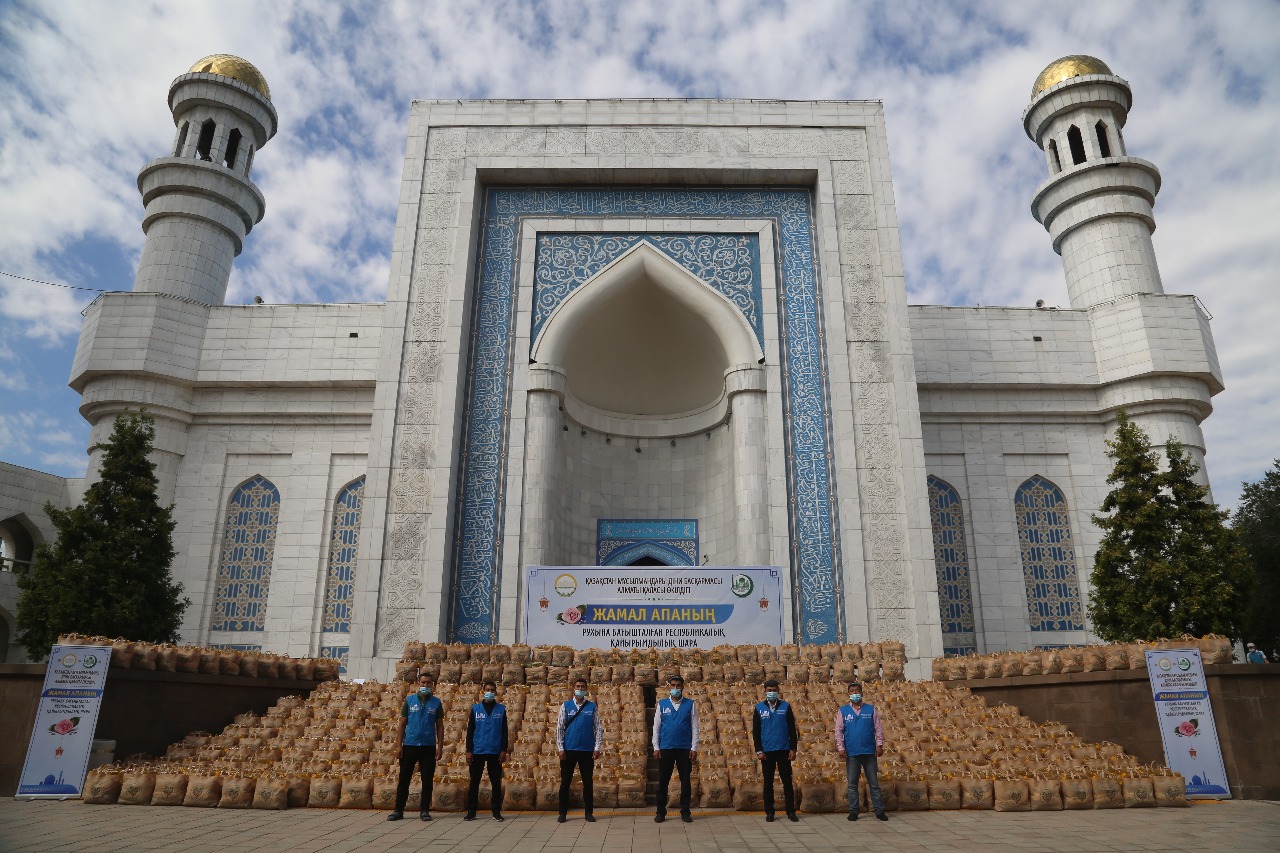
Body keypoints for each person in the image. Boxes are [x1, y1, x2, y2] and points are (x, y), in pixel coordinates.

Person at [387, 671, 444, 821]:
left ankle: (424, 810)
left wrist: (440, 747)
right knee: (404, 779)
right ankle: (398, 810)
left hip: (428, 746)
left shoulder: (436, 703)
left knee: (427, 779)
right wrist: (399, 746)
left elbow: (439, 726)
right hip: (410, 744)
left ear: (433, 685)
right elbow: (402, 724)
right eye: (423, 682)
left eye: (428, 683)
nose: (426, 685)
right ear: (418, 683)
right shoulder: (410, 700)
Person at [835, 681, 887, 822]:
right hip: (852, 753)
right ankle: (854, 811)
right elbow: (838, 731)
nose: (855, 693)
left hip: (869, 752)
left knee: (874, 783)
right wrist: (841, 748)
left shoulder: (870, 709)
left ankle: (879, 810)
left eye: (857, 690)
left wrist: (879, 745)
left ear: (862, 693)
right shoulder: (843, 711)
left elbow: (878, 728)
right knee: (852, 784)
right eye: (852, 691)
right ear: (849, 694)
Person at [652, 673, 699, 823]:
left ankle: (685, 811)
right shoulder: (662, 704)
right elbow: (656, 727)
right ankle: (660, 811)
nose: (675, 688)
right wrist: (656, 747)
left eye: (678, 686)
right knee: (663, 781)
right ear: (669, 687)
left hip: (684, 748)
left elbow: (695, 727)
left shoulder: (690, 704)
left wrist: (694, 747)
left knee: (685, 781)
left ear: (683, 687)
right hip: (666, 747)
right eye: (673, 686)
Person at [556, 676, 604, 823]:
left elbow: (598, 728)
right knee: (565, 782)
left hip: (587, 750)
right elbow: (560, 728)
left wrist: (597, 747)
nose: (580, 689)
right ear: (573, 688)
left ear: (586, 689)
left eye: (583, 687)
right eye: (578, 686)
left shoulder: (592, 707)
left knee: (588, 783)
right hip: (569, 749)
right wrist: (560, 747)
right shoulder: (566, 706)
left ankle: (588, 812)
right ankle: (562, 813)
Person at [753, 678, 798, 822]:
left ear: (778, 691)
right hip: (767, 751)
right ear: (764, 691)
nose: (771, 693)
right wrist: (759, 750)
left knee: (787, 781)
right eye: (769, 690)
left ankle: (790, 811)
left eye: (774, 690)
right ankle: (769, 811)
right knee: (768, 782)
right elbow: (756, 732)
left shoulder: (785, 706)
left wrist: (793, 748)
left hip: (783, 749)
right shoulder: (759, 708)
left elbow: (792, 729)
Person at [464, 680, 509, 821]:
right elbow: (470, 730)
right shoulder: (476, 709)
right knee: (474, 782)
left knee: (496, 783)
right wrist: (468, 750)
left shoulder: (501, 710)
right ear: (483, 691)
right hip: (478, 750)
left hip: (495, 751)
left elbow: (504, 731)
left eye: (492, 690)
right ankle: (472, 811)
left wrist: (503, 750)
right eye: (487, 689)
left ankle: (496, 811)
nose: (489, 692)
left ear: (495, 692)